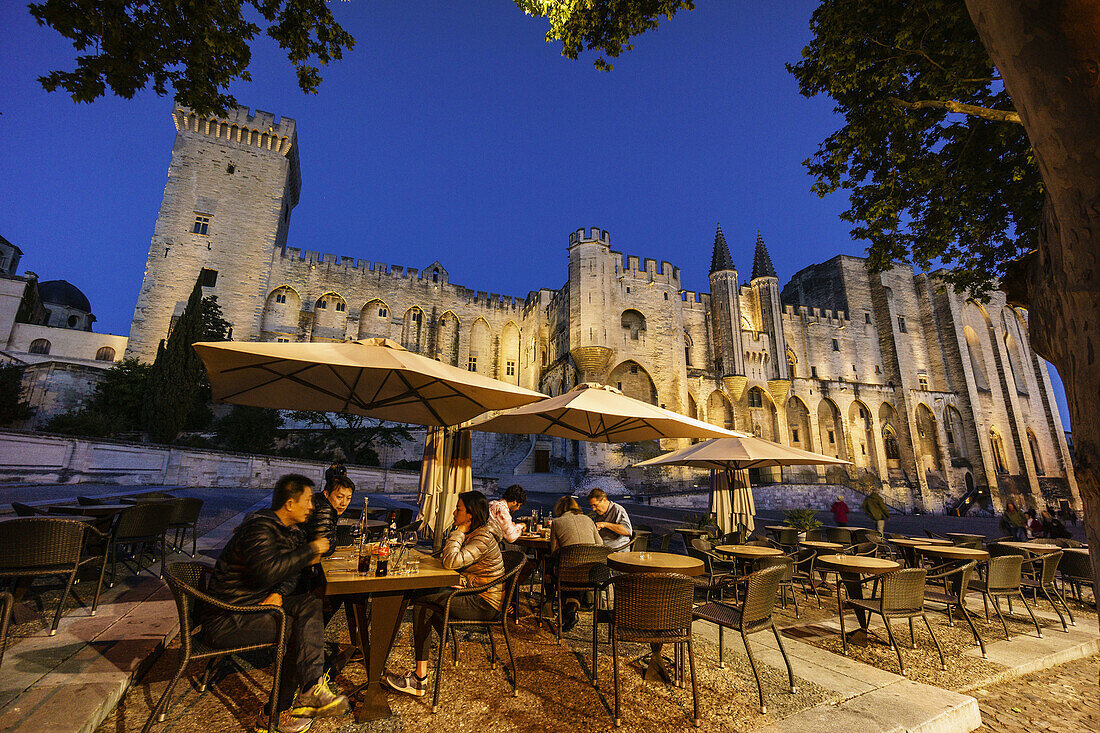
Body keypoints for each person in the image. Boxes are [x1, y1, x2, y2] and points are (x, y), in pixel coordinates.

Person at [202, 474, 348, 733]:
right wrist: (310, 550)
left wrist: (280, 591)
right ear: (289, 504)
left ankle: (310, 688)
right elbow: (268, 571)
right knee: (295, 633)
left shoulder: (287, 530)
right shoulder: (259, 529)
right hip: (227, 618)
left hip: (253, 605)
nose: (312, 507)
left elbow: (287, 574)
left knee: (309, 603)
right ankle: (273, 714)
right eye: (307, 501)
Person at [383, 491, 504, 697]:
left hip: (484, 603)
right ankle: (380, 651)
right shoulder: (476, 531)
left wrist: (459, 531)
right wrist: (464, 580)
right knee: (416, 594)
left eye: (459, 509)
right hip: (472, 592)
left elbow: (451, 562)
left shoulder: (482, 536)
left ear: (470, 515)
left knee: (422, 604)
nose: (454, 512)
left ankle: (419, 680)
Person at [548, 495, 603, 632]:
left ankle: (553, 606)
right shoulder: (588, 520)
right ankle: (571, 608)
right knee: (577, 573)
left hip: (569, 573)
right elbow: (600, 544)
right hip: (591, 573)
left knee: (553, 570)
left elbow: (554, 551)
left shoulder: (557, 522)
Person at [304, 475, 355, 556]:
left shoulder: (318, 500)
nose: (344, 503)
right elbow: (326, 549)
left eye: (348, 498)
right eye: (339, 497)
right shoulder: (324, 509)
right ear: (326, 494)